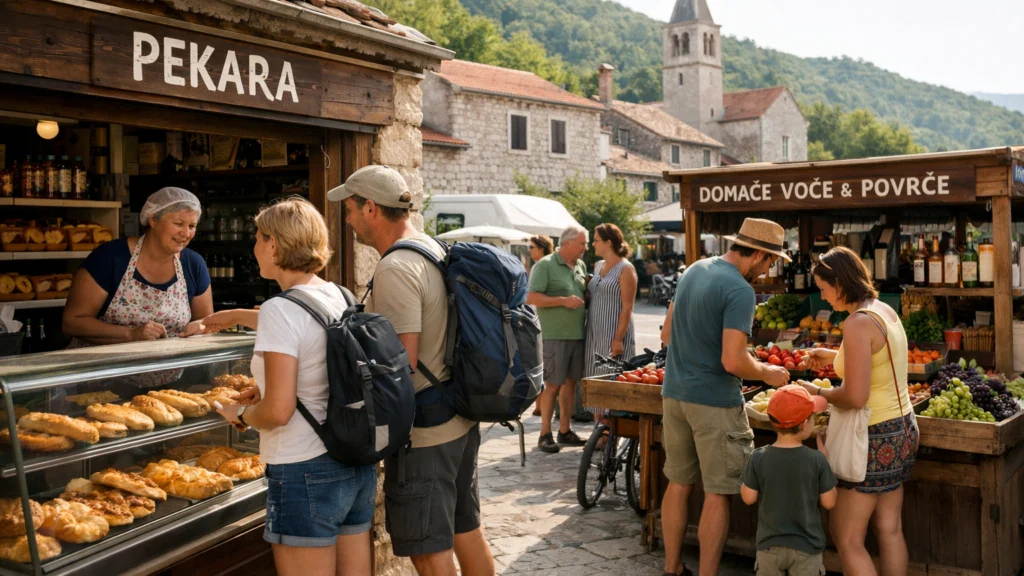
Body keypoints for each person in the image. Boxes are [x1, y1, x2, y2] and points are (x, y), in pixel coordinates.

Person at [332, 165, 494, 576]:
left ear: (370, 208)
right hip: (458, 415)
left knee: (427, 548)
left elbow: (399, 363)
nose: (346, 219)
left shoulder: (395, 268)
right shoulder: (431, 248)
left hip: (425, 432)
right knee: (465, 528)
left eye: (349, 209)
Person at [203, 198, 375, 576]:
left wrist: (240, 413)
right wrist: (234, 319)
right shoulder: (338, 294)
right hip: (352, 464)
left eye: (258, 238)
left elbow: (278, 412)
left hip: (304, 469)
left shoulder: (281, 309)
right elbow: (313, 353)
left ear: (275, 246)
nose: (254, 247)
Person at [660, 218, 791, 576]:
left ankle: (672, 568)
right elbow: (733, 360)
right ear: (760, 255)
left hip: (674, 394)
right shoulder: (739, 290)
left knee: (678, 484)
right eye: (771, 262)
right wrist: (768, 372)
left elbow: (667, 336)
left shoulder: (694, 269)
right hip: (714, 402)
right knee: (718, 494)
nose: (768, 271)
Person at [799, 247, 919, 576]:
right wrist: (832, 353)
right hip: (902, 430)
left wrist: (817, 391)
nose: (822, 298)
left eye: (823, 288)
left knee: (847, 537)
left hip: (872, 437)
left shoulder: (856, 324)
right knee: (889, 528)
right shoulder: (883, 310)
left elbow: (855, 396)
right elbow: (876, 355)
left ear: (839, 283)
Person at [64, 187, 211, 345]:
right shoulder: (110, 257)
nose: (186, 233)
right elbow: (72, 322)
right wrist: (130, 334)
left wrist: (200, 328)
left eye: (191, 226)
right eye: (178, 223)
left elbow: (206, 323)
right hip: (105, 367)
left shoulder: (193, 264)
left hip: (170, 368)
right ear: (153, 219)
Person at [740, 385, 838, 576]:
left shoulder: (758, 457)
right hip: (807, 549)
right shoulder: (816, 460)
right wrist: (827, 464)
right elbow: (830, 501)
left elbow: (748, 497)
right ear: (804, 425)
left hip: (769, 548)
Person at [527, 225, 590, 454]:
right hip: (554, 336)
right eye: (582, 243)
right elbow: (531, 296)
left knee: (571, 383)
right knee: (552, 385)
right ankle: (545, 434)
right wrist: (563, 301)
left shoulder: (581, 265)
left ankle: (565, 430)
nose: (586, 247)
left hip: (577, 334)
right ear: (567, 243)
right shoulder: (545, 265)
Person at [583, 224, 637, 422]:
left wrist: (618, 339)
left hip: (614, 332)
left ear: (608, 242)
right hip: (595, 332)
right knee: (595, 375)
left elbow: (627, 307)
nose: (593, 244)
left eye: (596, 240)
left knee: (612, 378)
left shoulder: (626, 269)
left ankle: (610, 433)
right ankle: (599, 427)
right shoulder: (598, 266)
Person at [528, 234, 555, 416]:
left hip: (539, 320)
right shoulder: (541, 265)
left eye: (531, 247)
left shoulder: (541, 265)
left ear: (541, 248)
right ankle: (538, 405)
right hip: (538, 319)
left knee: (539, 363)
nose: (529, 250)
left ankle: (539, 406)